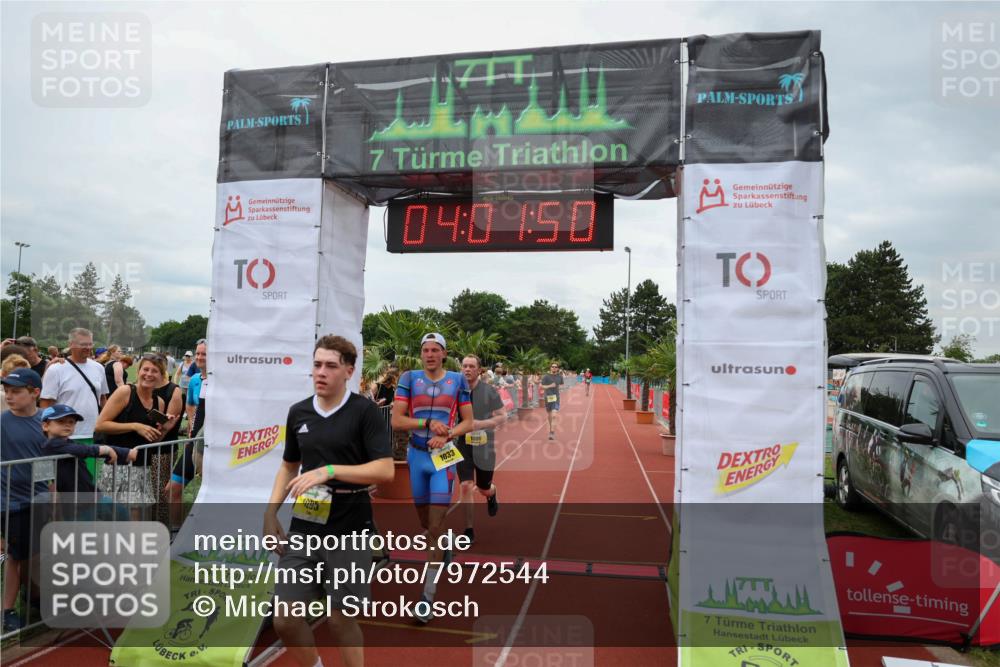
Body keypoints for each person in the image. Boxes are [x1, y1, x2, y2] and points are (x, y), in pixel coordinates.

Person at [264, 335, 393, 667]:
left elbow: (385, 470)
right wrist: (270, 513)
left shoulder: (364, 412)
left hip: (351, 526)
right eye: (317, 364)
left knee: (340, 619)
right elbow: (289, 465)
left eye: (331, 366)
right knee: (286, 618)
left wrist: (330, 471)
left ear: (349, 371)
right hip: (306, 526)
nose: (321, 372)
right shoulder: (299, 412)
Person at [391, 332, 474, 623]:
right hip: (416, 456)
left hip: (443, 458)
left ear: (444, 354)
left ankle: (427, 596)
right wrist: (427, 423)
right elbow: (396, 420)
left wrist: (447, 434)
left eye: (434, 350)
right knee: (425, 523)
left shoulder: (457, 380)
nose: (429, 354)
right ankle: (444, 546)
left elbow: (468, 421)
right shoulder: (409, 378)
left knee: (436, 526)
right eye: (425, 350)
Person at [94, 354, 170, 516]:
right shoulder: (125, 392)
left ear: (161, 376)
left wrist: (164, 429)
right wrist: (135, 426)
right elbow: (100, 425)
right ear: (139, 370)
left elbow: (153, 440)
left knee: (136, 521)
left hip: (142, 468)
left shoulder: (159, 403)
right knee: (113, 519)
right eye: (146, 369)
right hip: (118, 466)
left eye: (154, 371)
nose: (149, 374)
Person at [0, 369, 47, 632]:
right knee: (15, 557)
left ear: (35, 393)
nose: (9, 395)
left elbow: (48, 462)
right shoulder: (2, 423)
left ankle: (35, 596)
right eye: (7, 390)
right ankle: (6, 610)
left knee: (36, 552)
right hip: (10, 502)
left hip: (38, 500)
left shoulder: (44, 422)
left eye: (16, 391)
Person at [456, 355, 504, 543]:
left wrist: (481, 423)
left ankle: (492, 493)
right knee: (466, 486)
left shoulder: (489, 391)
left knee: (483, 487)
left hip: (485, 445)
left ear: (479, 370)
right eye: (464, 366)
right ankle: (469, 530)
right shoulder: (456, 391)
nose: (467, 369)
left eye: (471, 366)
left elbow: (502, 416)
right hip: (463, 445)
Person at [39, 328, 109, 447]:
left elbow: (103, 399)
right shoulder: (56, 369)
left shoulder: (99, 368)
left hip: (93, 434)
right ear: (71, 345)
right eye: (83, 344)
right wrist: (49, 433)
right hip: (64, 437)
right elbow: (46, 405)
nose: (88, 347)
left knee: (90, 467)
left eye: (90, 344)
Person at [166, 340, 206, 526]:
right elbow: (190, 404)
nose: (199, 358)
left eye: (204, 354)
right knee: (173, 488)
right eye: (197, 354)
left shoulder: (222, 383)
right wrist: (191, 424)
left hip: (213, 448)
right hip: (193, 442)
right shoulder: (195, 380)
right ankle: (175, 532)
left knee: (209, 495)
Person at [540, 362, 564, 440]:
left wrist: (557, 390)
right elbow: (541, 386)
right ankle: (551, 428)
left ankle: (552, 432)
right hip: (548, 398)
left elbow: (561, 384)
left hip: (556, 398)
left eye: (555, 367)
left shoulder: (560, 377)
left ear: (557, 368)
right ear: (550, 368)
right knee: (550, 415)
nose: (554, 368)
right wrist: (550, 386)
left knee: (554, 415)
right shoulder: (546, 376)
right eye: (552, 366)